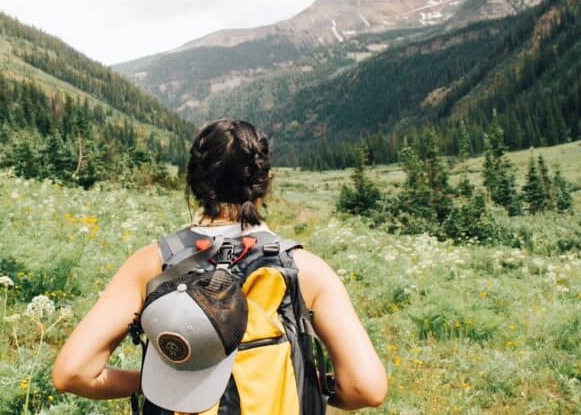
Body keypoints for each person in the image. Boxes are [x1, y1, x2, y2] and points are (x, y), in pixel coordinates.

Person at [52, 119, 386, 412]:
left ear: (193, 183)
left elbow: (73, 373)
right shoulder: (305, 268)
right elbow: (366, 388)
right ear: (265, 182)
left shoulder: (152, 263)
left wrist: (156, 383)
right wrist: (310, 387)